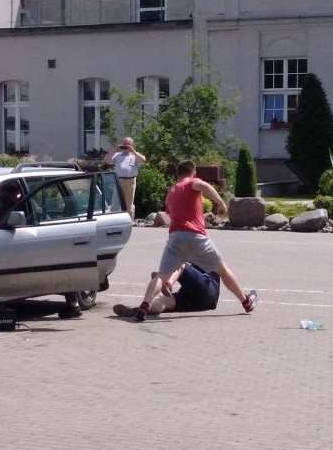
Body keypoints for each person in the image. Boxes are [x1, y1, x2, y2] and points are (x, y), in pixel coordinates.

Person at [132, 159, 257, 321]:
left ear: (177, 175)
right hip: (196, 236)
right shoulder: (193, 182)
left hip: (175, 237)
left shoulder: (171, 192)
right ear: (194, 172)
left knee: (161, 275)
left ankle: (145, 304)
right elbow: (204, 186)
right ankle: (246, 302)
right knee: (223, 271)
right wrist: (220, 204)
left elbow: (171, 214)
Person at [112, 263, 220, 317]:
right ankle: (140, 311)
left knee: (181, 266)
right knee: (163, 301)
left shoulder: (208, 253)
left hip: (208, 287)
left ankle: (167, 283)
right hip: (204, 301)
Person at [104, 136, 146, 220]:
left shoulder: (134, 155)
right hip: (119, 180)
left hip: (131, 181)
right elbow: (106, 160)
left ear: (132, 145)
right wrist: (115, 150)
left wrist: (133, 151)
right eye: (124, 144)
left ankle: (129, 222)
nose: (126, 146)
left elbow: (143, 160)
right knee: (115, 203)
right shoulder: (118, 155)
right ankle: (113, 222)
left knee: (129, 204)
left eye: (128, 144)